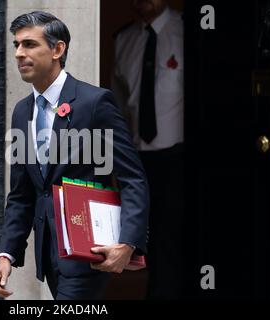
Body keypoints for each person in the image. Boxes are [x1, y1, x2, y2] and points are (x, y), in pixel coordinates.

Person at [0, 11, 149, 300]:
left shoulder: (95, 102)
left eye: (29, 44)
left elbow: (133, 178)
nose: (18, 53)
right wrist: (7, 255)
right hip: (48, 254)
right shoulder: (23, 111)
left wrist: (127, 244)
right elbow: (21, 193)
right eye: (16, 45)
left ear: (57, 49)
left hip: (88, 252)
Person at [112, 0, 185, 299]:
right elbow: (118, 105)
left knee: (176, 235)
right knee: (148, 236)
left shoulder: (187, 31)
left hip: (181, 154)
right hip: (140, 157)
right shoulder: (123, 39)